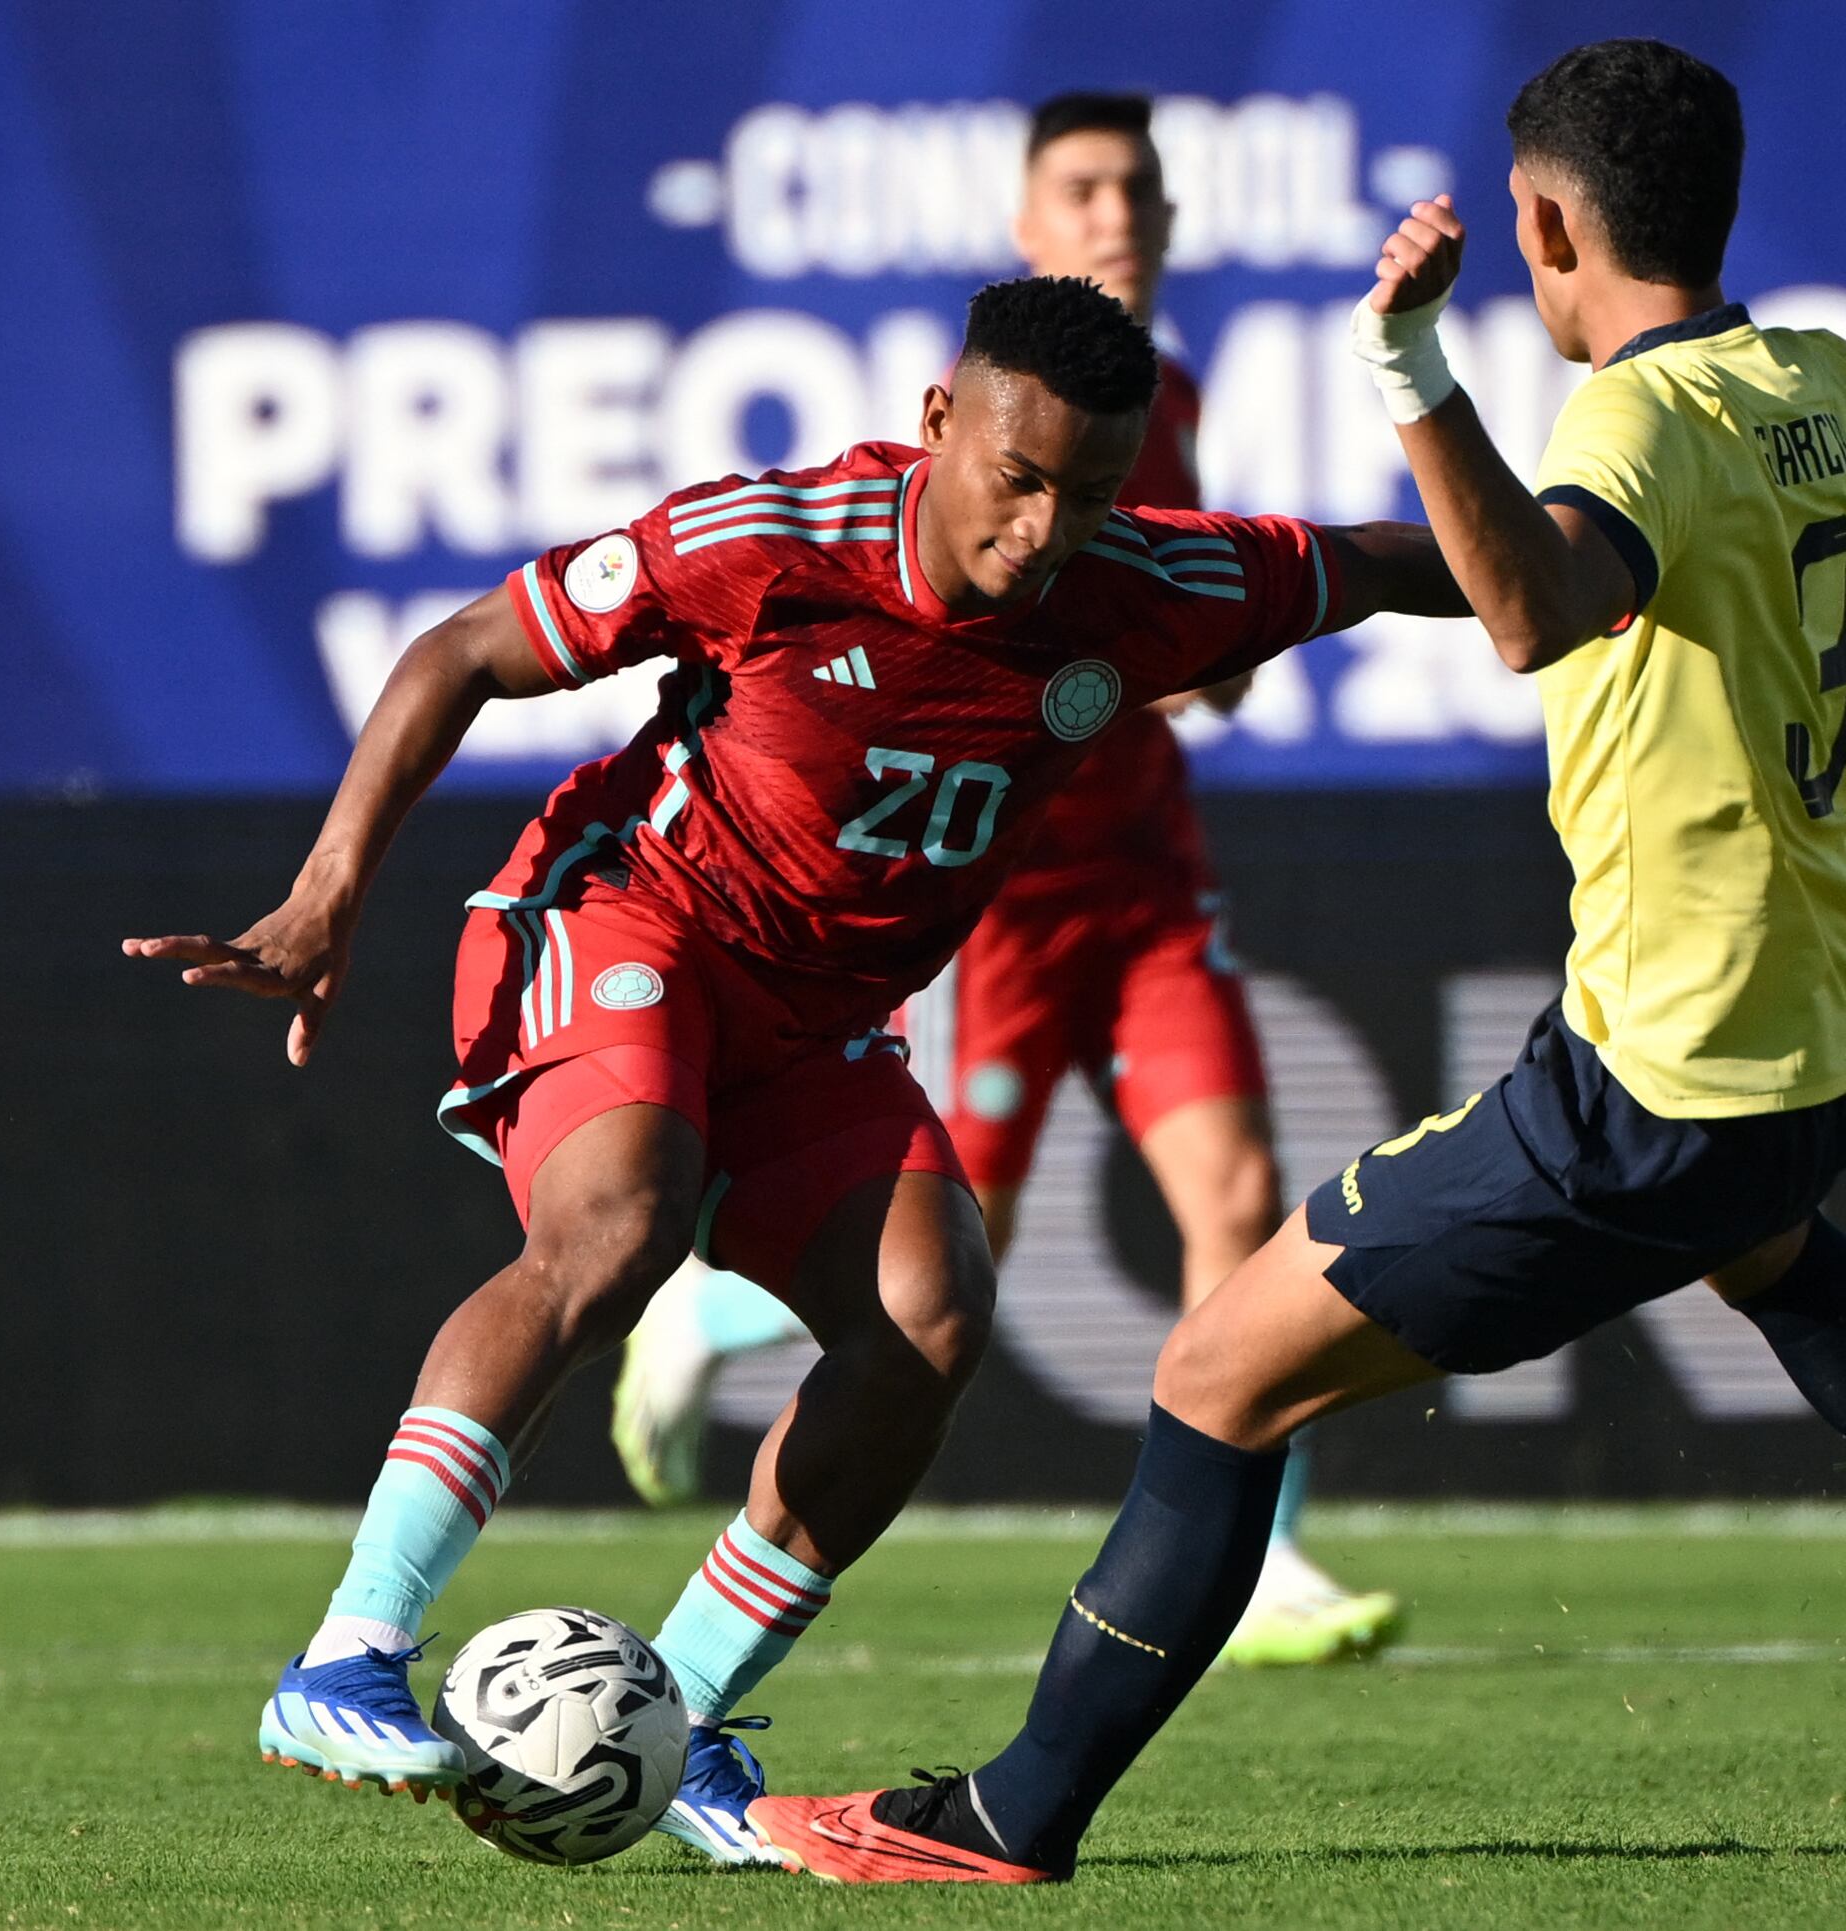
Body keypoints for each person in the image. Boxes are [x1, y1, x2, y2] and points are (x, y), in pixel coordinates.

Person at [745, 38, 1846, 1885]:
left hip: (1660, 1073)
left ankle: (1011, 1817)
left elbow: (1537, 614)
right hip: (1844, 1029)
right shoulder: (1842, 383)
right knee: (1773, 1245)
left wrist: (1410, 373)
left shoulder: (1632, 425)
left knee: (1216, 1377)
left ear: (1548, 226)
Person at [124, 274, 1470, 1864]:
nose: (1044, 532)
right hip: (633, 916)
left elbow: (1386, 564)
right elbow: (462, 649)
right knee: (617, 1225)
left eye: (1090, 496)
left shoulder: (1143, 579)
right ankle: (346, 1655)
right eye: (1018, 481)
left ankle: (679, 1720)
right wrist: (332, 887)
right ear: (937, 426)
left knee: (929, 1321)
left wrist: (1625, 562)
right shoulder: (772, 542)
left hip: (821, 1021)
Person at [609, 89, 1400, 1670]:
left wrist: (1204, 660)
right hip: (999, 882)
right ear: (1031, 224)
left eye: (1139, 192)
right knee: (974, 1237)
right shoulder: (983, 425)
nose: (1116, 214)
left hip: (1146, 870)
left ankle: (1273, 1558)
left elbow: (1171, 604)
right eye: (1084, 190)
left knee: (1242, 1202)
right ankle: (700, 1311)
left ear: (1170, 224)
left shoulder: (1156, 394)